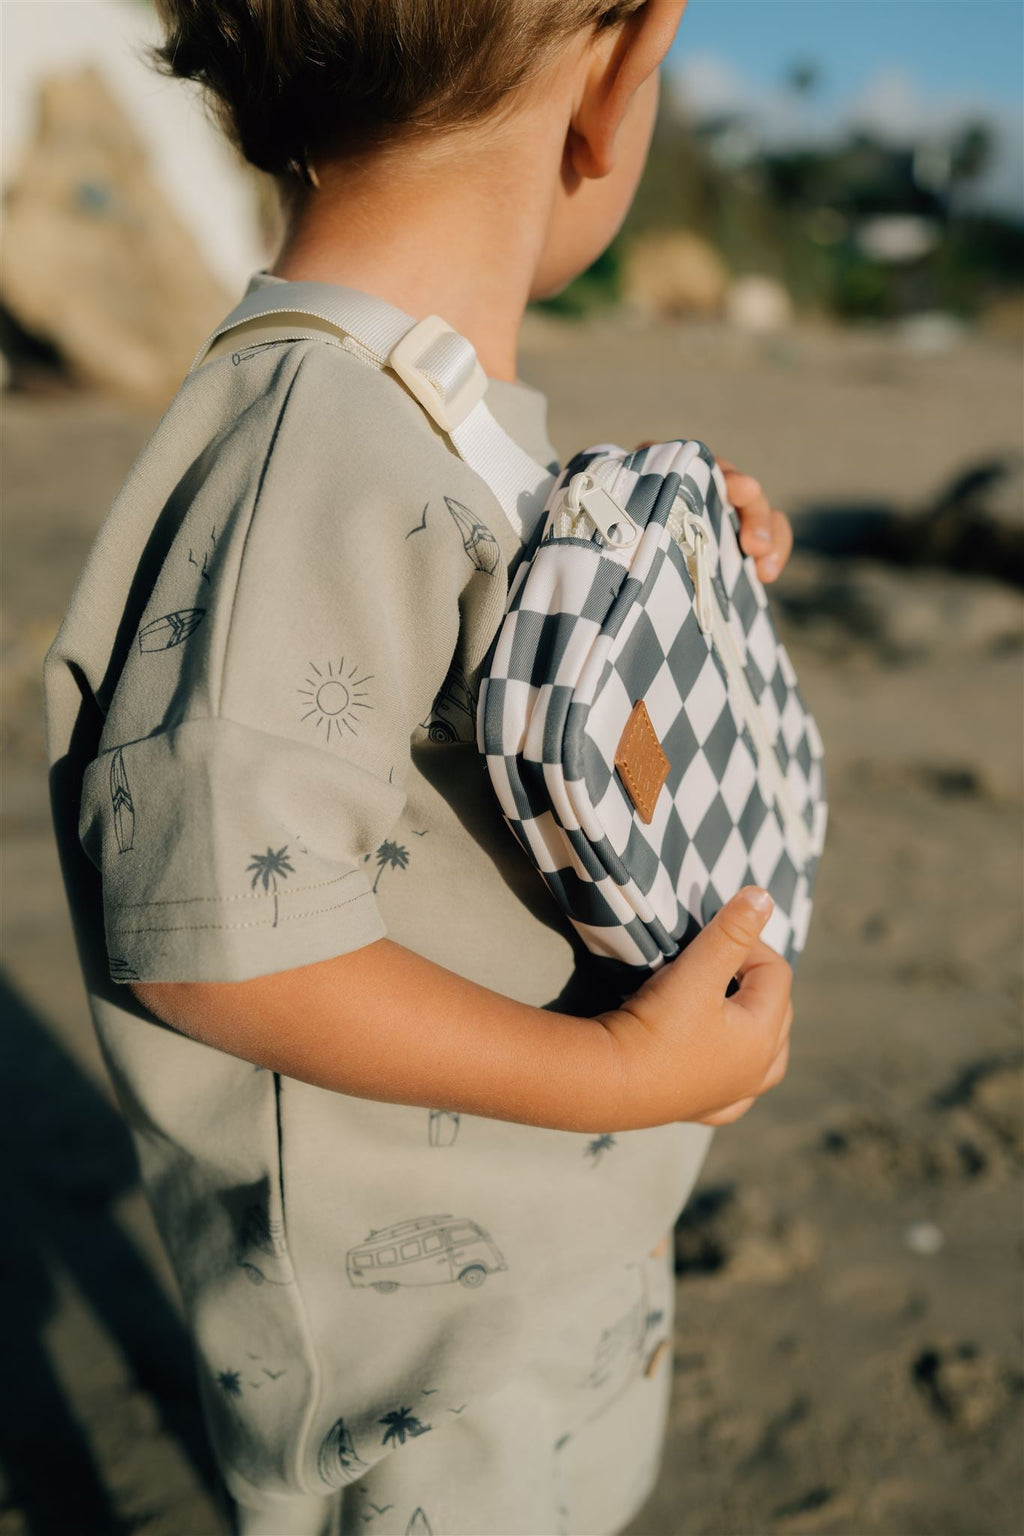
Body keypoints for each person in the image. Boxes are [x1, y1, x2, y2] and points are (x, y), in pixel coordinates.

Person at [44, 3, 798, 1532]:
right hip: (424, 1361)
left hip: (541, 1250)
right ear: (623, 68)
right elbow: (221, 950)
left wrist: (669, 583)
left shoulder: (407, 411)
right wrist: (617, 1073)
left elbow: (487, 713)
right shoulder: (306, 456)